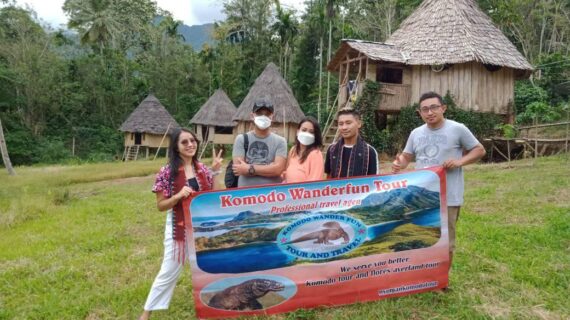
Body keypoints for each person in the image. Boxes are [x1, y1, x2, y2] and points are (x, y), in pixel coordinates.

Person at [391, 91, 486, 266]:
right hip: (422, 196)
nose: (429, 112)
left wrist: (459, 162)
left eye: (434, 107)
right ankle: (424, 274)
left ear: (443, 108)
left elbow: (479, 150)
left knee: (446, 240)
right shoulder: (416, 133)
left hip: (448, 196)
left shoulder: (458, 128)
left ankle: (442, 281)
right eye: (424, 109)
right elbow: (406, 157)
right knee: (422, 235)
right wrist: (399, 163)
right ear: (419, 113)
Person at [139, 128, 223, 320]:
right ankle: (146, 314)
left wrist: (216, 171)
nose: (190, 144)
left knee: (209, 266)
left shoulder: (202, 169)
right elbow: (161, 206)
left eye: (192, 140)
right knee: (169, 269)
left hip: (202, 227)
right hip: (178, 227)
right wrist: (177, 196)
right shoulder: (166, 172)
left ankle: (215, 305)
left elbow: (214, 195)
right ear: (176, 147)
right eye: (184, 142)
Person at [232, 100, 287, 187]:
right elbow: (238, 169)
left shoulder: (281, 141)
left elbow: (278, 170)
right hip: (245, 195)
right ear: (252, 116)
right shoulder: (241, 139)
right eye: (259, 113)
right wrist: (269, 167)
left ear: (272, 117)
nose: (263, 116)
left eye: (267, 114)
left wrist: (249, 168)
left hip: (272, 195)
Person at [324, 108, 379, 178]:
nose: (344, 127)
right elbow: (329, 177)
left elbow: (373, 181)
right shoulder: (332, 149)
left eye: (348, 123)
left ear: (359, 124)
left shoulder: (369, 151)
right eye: (341, 124)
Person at [283, 116, 324, 183]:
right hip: (288, 191)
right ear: (298, 131)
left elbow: (314, 183)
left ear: (315, 136)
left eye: (311, 132)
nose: (307, 134)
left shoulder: (315, 154)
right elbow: (286, 173)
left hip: (304, 192)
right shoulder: (293, 150)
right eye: (304, 130)